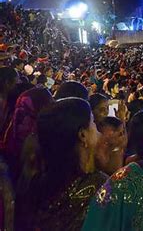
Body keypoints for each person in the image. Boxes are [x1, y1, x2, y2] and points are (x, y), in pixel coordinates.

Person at [29, 98, 107, 231]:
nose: (97, 128)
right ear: (83, 135)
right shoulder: (101, 187)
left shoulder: (37, 182)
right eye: (93, 122)